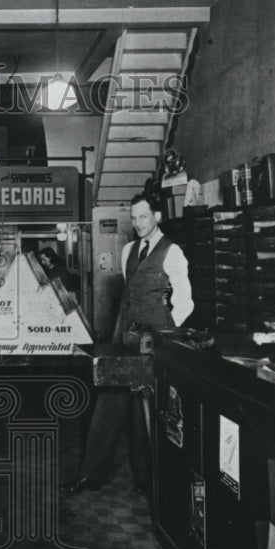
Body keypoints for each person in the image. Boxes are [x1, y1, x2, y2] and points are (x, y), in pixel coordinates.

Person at [65, 192, 193, 495]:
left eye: (144, 217)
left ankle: (147, 481)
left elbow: (185, 302)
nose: (138, 223)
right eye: (134, 218)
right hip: (126, 338)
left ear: (157, 217)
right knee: (108, 402)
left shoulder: (172, 251)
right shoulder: (128, 251)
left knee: (146, 410)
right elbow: (130, 294)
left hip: (157, 343)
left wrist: (166, 334)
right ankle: (90, 475)